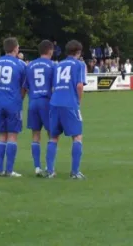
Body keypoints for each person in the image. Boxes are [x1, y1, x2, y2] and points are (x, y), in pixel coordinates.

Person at [45, 40, 87, 179]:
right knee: (77, 136)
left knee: (53, 137)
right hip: (70, 103)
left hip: (55, 102)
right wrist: (78, 102)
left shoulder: (58, 65)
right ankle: (75, 172)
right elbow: (79, 86)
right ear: (79, 52)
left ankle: (50, 171)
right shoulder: (79, 64)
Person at [0, 37, 27, 177]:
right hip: (13, 102)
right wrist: (20, 98)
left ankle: (0, 169)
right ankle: (9, 170)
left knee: (2, 135)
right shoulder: (20, 64)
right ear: (15, 48)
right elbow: (24, 86)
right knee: (13, 135)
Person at [24, 40, 55, 176]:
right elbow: (54, 87)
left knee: (35, 135)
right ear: (50, 51)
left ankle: (37, 167)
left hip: (33, 102)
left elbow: (25, 86)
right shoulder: (52, 65)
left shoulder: (30, 65)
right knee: (51, 134)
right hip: (46, 101)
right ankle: (49, 167)